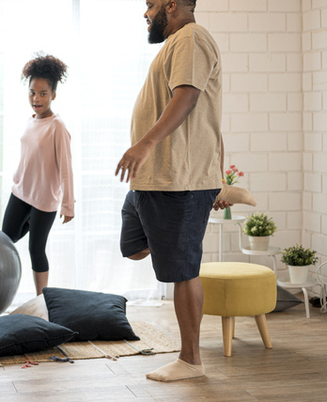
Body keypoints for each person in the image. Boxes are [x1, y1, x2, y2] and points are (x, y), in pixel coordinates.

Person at [116, 0, 227, 382]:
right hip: (155, 180)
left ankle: (190, 360)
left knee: (182, 270)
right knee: (131, 246)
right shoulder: (177, 42)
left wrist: (144, 145)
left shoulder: (191, 38)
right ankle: (189, 228)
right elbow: (209, 119)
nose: (145, 13)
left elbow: (189, 97)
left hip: (179, 181)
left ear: (171, 4)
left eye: (149, 4)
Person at [2, 54, 75, 296]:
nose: (37, 98)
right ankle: (29, 220)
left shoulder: (58, 127)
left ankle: (40, 300)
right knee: (5, 239)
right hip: (21, 192)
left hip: (44, 201)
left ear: (53, 94)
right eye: (33, 92)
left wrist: (67, 205)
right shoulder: (30, 121)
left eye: (43, 93)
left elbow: (66, 169)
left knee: (36, 249)